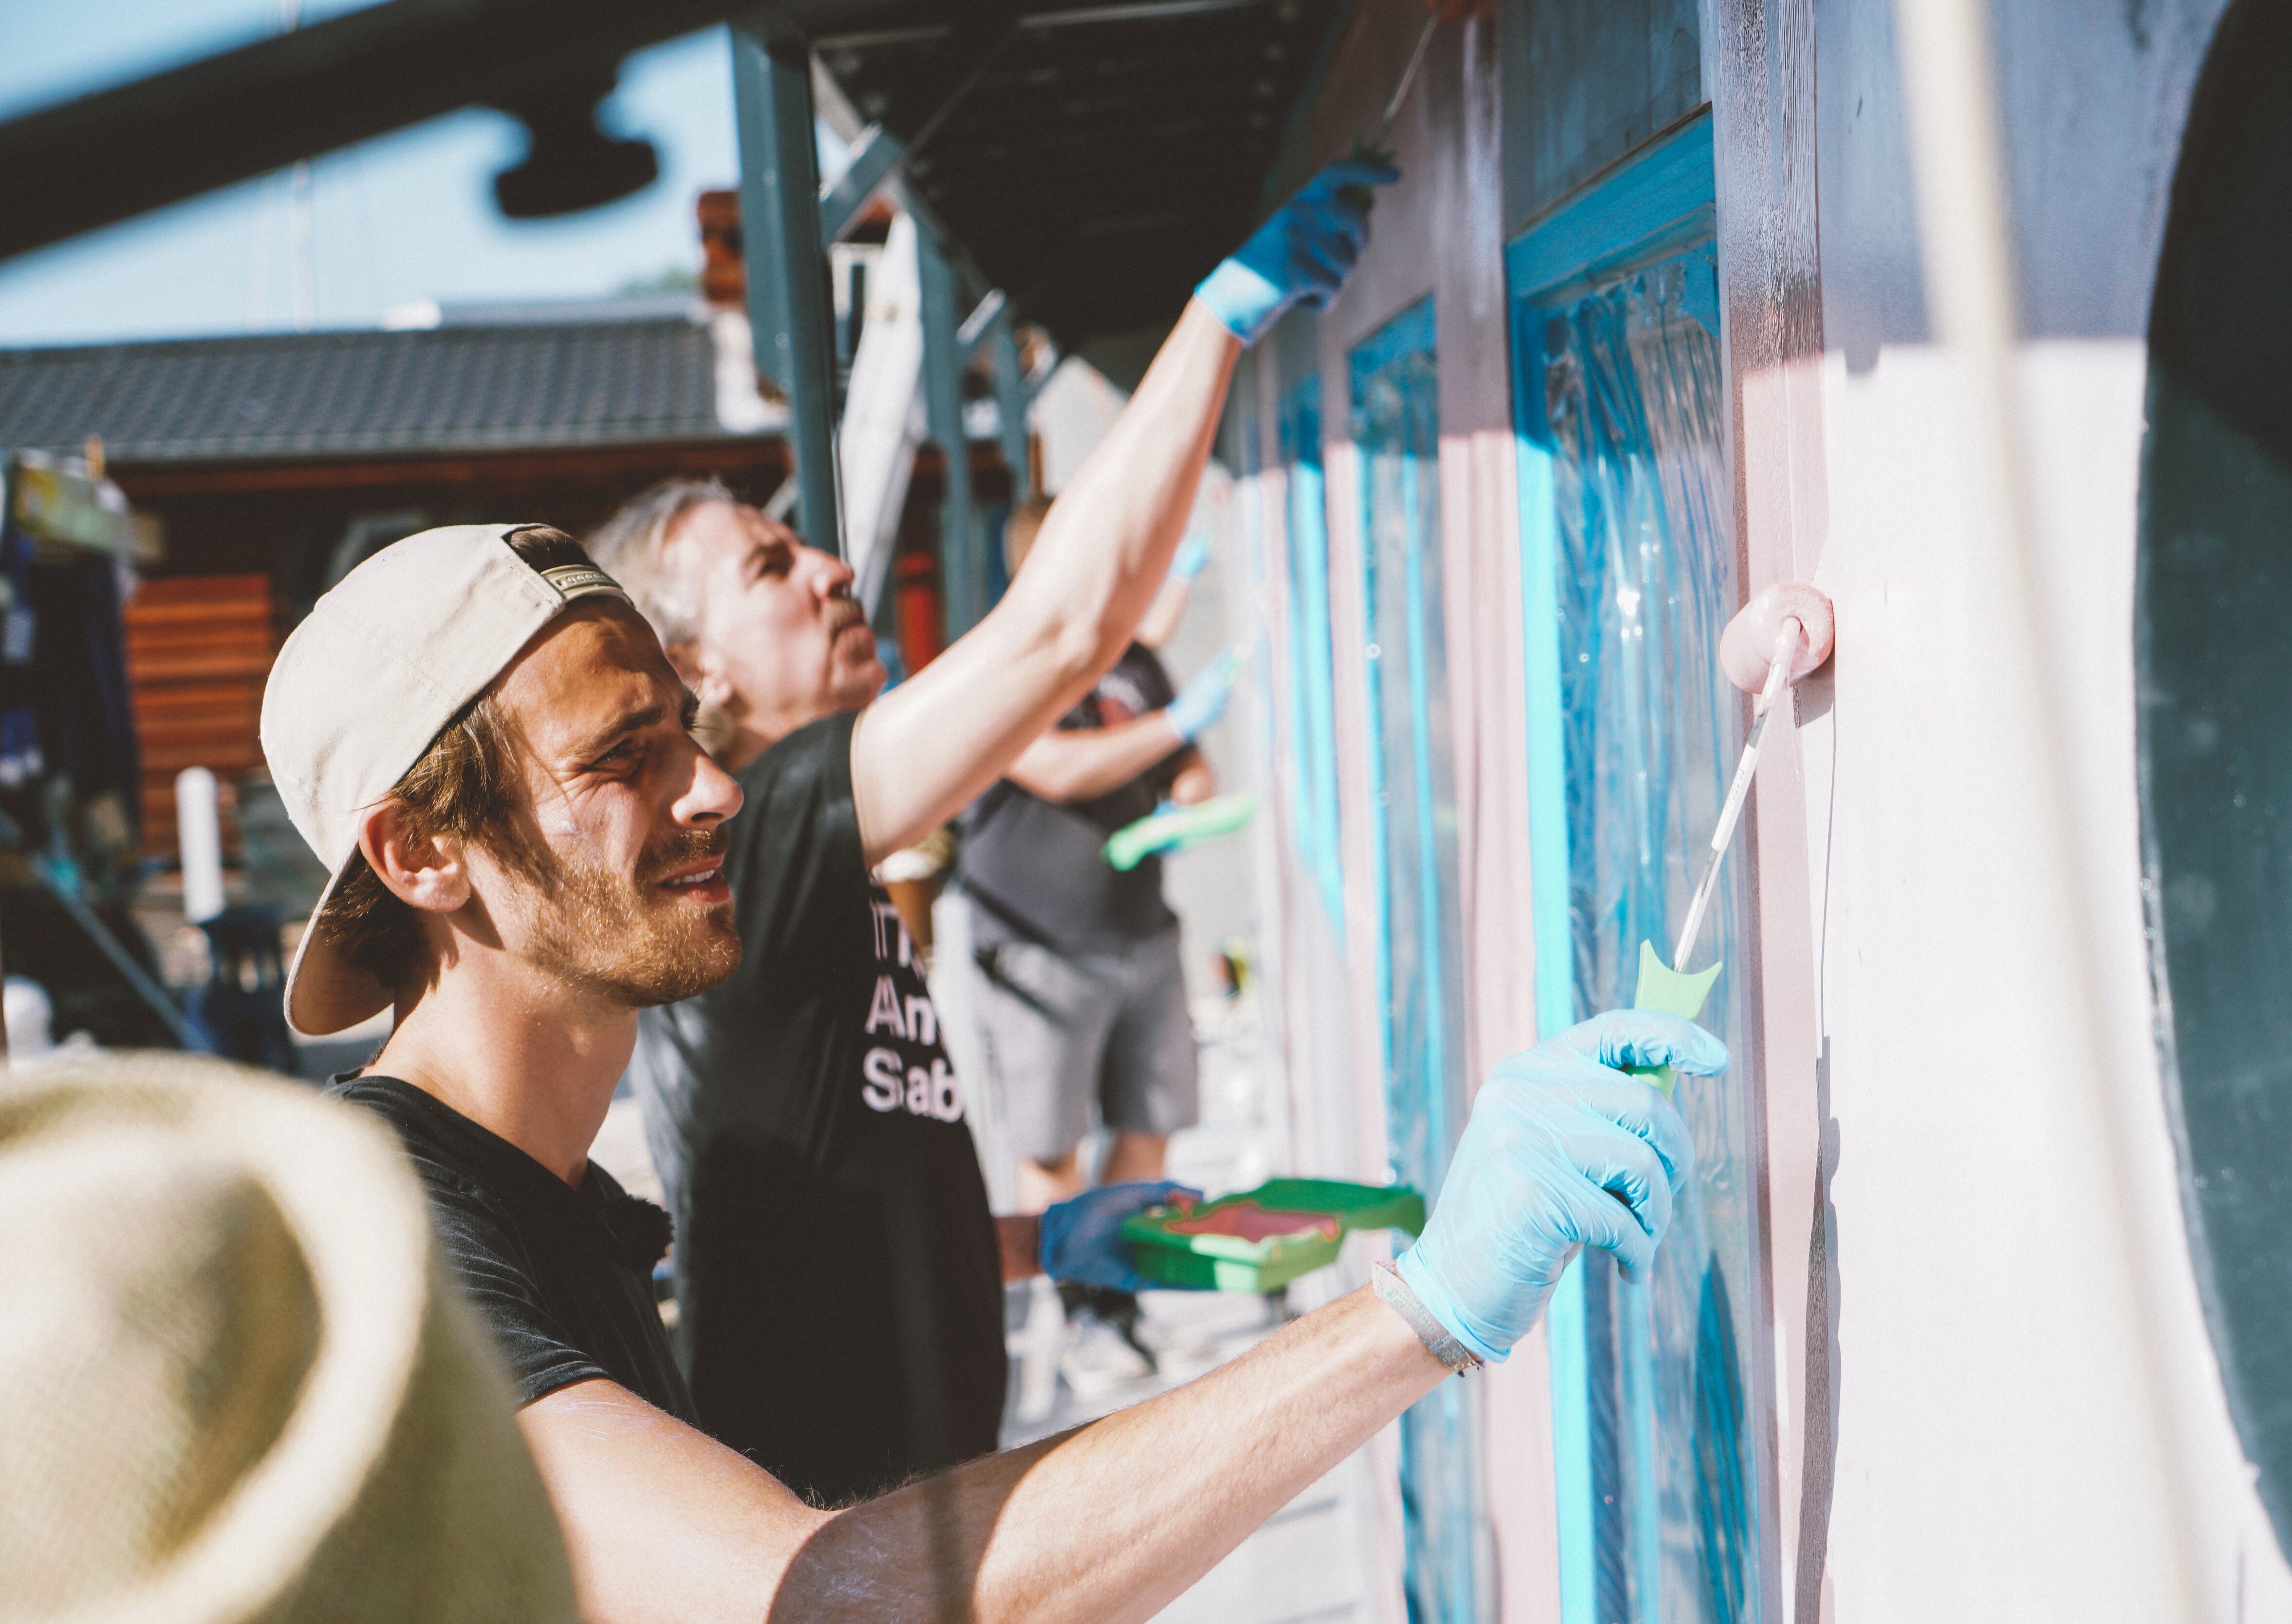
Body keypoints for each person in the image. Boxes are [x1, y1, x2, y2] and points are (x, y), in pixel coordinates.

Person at [260, 518, 1721, 1624]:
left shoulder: (548, 1200)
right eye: (620, 759)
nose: (710, 790)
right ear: (419, 853)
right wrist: (1421, 1316)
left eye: (688, 737)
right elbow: (818, 1601)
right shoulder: (402, 1250)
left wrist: (1029, 1244)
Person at [586, 158, 1394, 1502]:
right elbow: (1068, 630)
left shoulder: (781, 863)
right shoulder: (766, 828)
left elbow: (824, 1203)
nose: (833, 568)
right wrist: (1219, 318)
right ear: (697, 669)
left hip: (897, 1502)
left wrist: (1035, 1242)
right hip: (842, 1522)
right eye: (772, 569)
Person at [954, 496, 1234, 1375]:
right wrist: (1179, 725)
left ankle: (1121, 1298)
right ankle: (1079, 1316)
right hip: (1039, 950)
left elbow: (1188, 768)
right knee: (1052, 1146)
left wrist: (1188, 788)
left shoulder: (1134, 659)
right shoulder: (1006, 665)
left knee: (1149, 1126)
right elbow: (1058, 767)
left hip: (1144, 936)